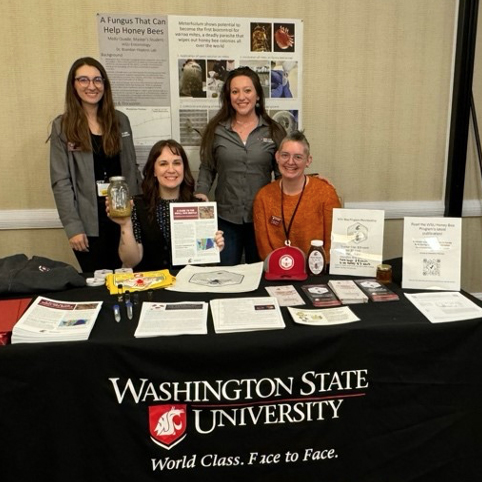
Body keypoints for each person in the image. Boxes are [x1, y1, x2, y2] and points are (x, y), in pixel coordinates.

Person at [50, 57, 141, 273]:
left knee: (129, 277)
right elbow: (60, 181)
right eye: (83, 80)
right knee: (99, 284)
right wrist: (73, 227)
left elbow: (131, 167)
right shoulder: (62, 126)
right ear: (73, 85)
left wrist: (137, 215)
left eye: (97, 80)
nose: (91, 86)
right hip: (88, 223)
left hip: (123, 215)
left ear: (104, 85)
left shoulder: (120, 121)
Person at [196, 66, 286, 265]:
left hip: (262, 219)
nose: (241, 97)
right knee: (225, 276)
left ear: (257, 95)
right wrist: (201, 192)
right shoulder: (216, 130)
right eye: (235, 91)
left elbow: (283, 174)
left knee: (262, 275)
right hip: (226, 219)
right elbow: (208, 167)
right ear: (228, 97)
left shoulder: (273, 130)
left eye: (247, 90)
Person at [107, 139, 224, 271]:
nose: (171, 169)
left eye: (177, 163)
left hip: (187, 285)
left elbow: (205, 263)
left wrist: (213, 247)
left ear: (184, 168)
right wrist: (125, 224)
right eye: (163, 164)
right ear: (154, 171)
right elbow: (130, 262)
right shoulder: (136, 205)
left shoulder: (199, 206)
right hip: (151, 287)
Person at [253, 130, 341, 261]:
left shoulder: (326, 194)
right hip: (277, 272)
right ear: (277, 157)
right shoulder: (263, 197)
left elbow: (333, 244)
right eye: (285, 155)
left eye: (298, 157)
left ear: (308, 161)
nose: (290, 162)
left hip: (315, 272)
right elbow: (264, 248)